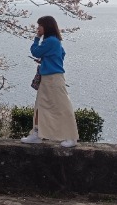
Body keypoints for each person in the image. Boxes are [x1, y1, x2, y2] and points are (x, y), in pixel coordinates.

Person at [21, 16, 79, 148]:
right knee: (41, 106)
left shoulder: (49, 41)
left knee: (62, 106)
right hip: (52, 77)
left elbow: (35, 51)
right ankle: (37, 133)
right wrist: (48, 60)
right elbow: (62, 54)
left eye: (39, 26)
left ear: (46, 26)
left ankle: (71, 136)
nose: (38, 29)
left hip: (52, 78)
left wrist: (36, 39)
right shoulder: (55, 41)